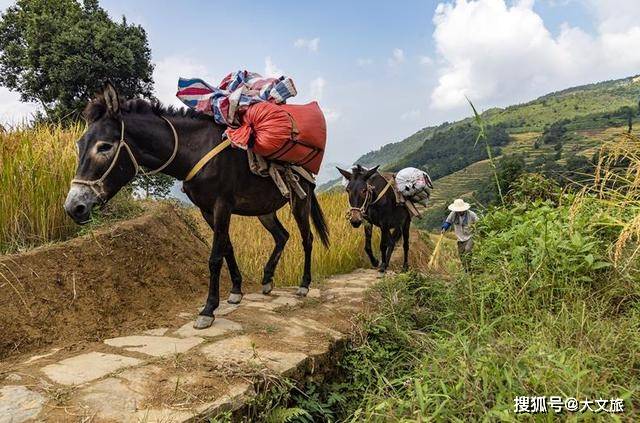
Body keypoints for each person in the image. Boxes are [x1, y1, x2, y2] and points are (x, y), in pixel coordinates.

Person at [441, 199, 478, 271]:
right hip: (460, 238)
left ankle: (469, 266)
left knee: (467, 250)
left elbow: (478, 222)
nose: (460, 212)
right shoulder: (453, 214)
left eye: (461, 210)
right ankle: (467, 270)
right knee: (461, 255)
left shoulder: (471, 214)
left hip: (470, 236)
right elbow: (448, 222)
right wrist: (444, 228)